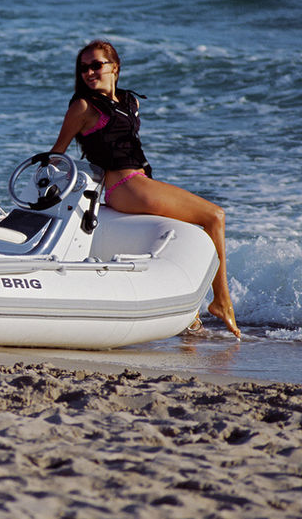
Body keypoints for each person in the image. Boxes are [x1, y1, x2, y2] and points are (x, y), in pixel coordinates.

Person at [49, 40, 240, 338]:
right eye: (84, 67)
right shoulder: (83, 106)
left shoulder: (129, 102)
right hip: (123, 186)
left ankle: (189, 313)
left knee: (192, 227)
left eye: (96, 65)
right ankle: (221, 301)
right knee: (214, 216)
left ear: (114, 66)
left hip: (142, 181)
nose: (89, 72)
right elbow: (57, 153)